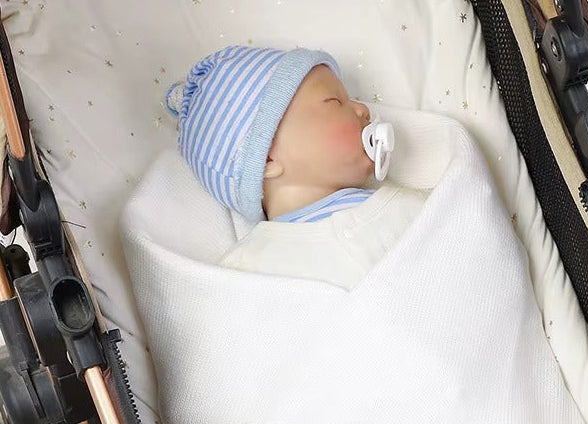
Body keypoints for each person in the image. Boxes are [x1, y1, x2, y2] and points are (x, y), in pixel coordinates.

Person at [165, 45, 426, 289]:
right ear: (267, 159)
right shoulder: (244, 274)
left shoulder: (397, 208)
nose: (362, 109)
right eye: (335, 102)